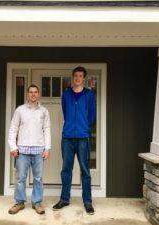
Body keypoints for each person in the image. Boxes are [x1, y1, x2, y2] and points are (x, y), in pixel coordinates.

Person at [53, 66, 96, 215]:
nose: (77, 78)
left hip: (83, 137)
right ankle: (64, 199)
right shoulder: (66, 95)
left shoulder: (89, 95)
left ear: (84, 78)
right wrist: (72, 125)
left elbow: (92, 115)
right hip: (68, 137)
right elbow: (66, 113)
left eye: (80, 76)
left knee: (85, 171)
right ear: (73, 77)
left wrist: (83, 126)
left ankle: (88, 201)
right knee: (66, 170)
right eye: (75, 75)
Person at [8, 84, 51, 215]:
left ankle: (37, 203)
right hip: (22, 150)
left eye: (35, 92)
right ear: (27, 94)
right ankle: (19, 202)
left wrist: (47, 148)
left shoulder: (44, 111)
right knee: (21, 178)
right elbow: (13, 129)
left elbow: (47, 130)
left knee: (38, 178)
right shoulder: (20, 110)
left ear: (38, 94)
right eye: (31, 92)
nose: (33, 94)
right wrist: (13, 146)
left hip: (39, 150)